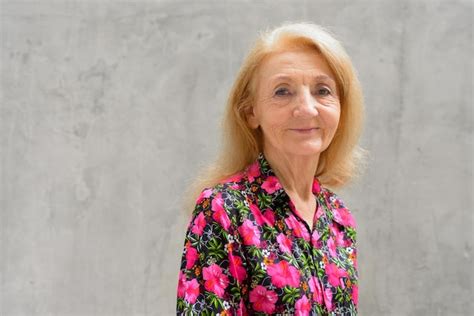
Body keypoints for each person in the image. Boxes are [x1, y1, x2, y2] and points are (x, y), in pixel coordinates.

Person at [176, 21, 367, 315]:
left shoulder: (339, 218)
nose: (307, 108)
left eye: (323, 90)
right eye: (282, 91)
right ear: (251, 112)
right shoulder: (223, 209)